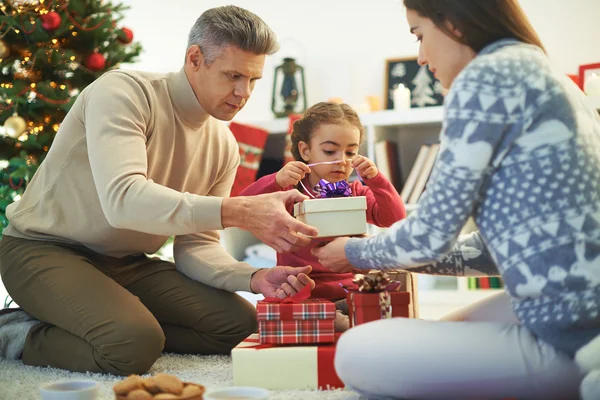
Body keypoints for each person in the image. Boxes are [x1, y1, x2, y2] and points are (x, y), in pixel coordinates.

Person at [0, 5, 319, 376]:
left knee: (239, 327)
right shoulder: (123, 92)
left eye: (253, 80)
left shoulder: (224, 145)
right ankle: (18, 333)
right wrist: (241, 211)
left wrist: (253, 278)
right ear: (195, 58)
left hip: (127, 262)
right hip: (43, 249)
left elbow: (197, 245)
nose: (243, 92)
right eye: (233, 75)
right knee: (132, 346)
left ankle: (116, 323)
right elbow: (123, 200)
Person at [312, 1, 600, 399]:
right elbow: (492, 253)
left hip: (574, 336)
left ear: (453, 22)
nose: (420, 56)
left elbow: (430, 235)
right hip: (583, 309)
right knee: (447, 327)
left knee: (354, 352)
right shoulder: (551, 76)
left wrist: (355, 252)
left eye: (419, 35)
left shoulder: (486, 77)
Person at [239, 102, 406, 329]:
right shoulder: (289, 192)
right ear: (306, 151)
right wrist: (275, 180)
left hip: (350, 287)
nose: (341, 160)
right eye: (330, 151)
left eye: (350, 152)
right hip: (301, 288)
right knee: (285, 302)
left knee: (384, 303)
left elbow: (395, 218)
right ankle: (333, 319)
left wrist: (376, 179)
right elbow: (243, 206)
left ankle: (338, 318)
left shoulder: (355, 191)